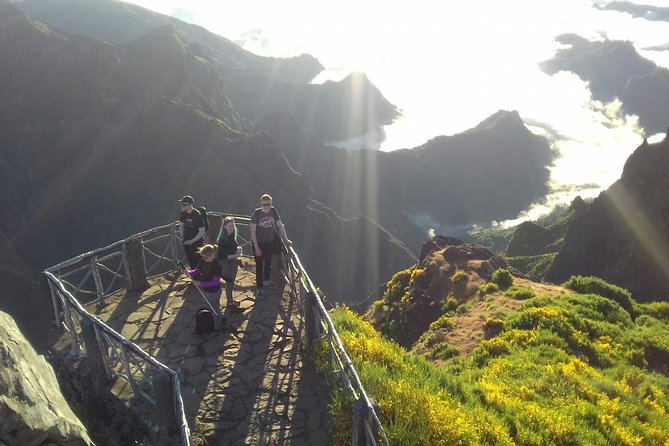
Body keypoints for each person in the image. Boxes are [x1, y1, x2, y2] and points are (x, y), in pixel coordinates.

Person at [250, 194, 292, 299]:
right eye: (264, 204)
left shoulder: (273, 211)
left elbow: (280, 226)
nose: (266, 206)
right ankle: (259, 288)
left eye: (268, 204)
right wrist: (256, 248)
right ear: (261, 204)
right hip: (258, 243)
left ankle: (267, 279)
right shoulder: (256, 214)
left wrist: (286, 240)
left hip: (269, 242)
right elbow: (253, 232)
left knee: (268, 261)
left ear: (271, 203)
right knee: (259, 265)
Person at [187, 244, 224, 330]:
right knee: (210, 306)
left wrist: (199, 283)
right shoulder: (203, 262)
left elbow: (215, 282)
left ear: (212, 255)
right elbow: (197, 271)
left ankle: (218, 323)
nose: (204, 259)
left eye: (206, 257)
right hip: (206, 290)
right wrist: (189, 272)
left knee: (214, 307)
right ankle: (214, 322)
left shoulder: (217, 267)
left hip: (214, 291)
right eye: (203, 257)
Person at [217, 216, 243, 310]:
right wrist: (235, 255)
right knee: (229, 283)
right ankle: (230, 303)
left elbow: (230, 250)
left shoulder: (231, 236)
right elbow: (222, 256)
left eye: (233, 226)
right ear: (224, 226)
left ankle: (230, 300)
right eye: (229, 226)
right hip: (226, 264)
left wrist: (237, 250)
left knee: (231, 283)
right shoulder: (222, 240)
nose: (232, 228)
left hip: (232, 262)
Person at [178, 195, 205, 268]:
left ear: (190, 205)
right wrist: (182, 237)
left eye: (185, 204)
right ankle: (195, 277)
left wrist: (192, 241)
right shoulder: (183, 213)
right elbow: (181, 225)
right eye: (182, 204)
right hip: (187, 241)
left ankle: (201, 277)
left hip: (197, 242)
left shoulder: (197, 215)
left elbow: (202, 231)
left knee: (199, 261)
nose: (182, 206)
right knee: (191, 261)